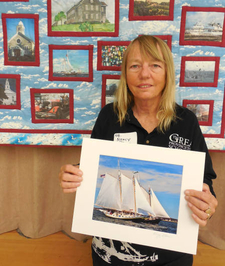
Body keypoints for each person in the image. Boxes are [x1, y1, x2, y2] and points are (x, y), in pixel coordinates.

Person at [59, 35, 218, 266]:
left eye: (155, 65)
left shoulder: (186, 122)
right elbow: (92, 170)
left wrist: (207, 204)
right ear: (125, 74)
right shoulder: (109, 116)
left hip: (171, 258)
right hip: (111, 257)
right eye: (135, 66)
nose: (145, 74)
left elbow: (205, 180)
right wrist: (74, 175)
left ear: (167, 72)